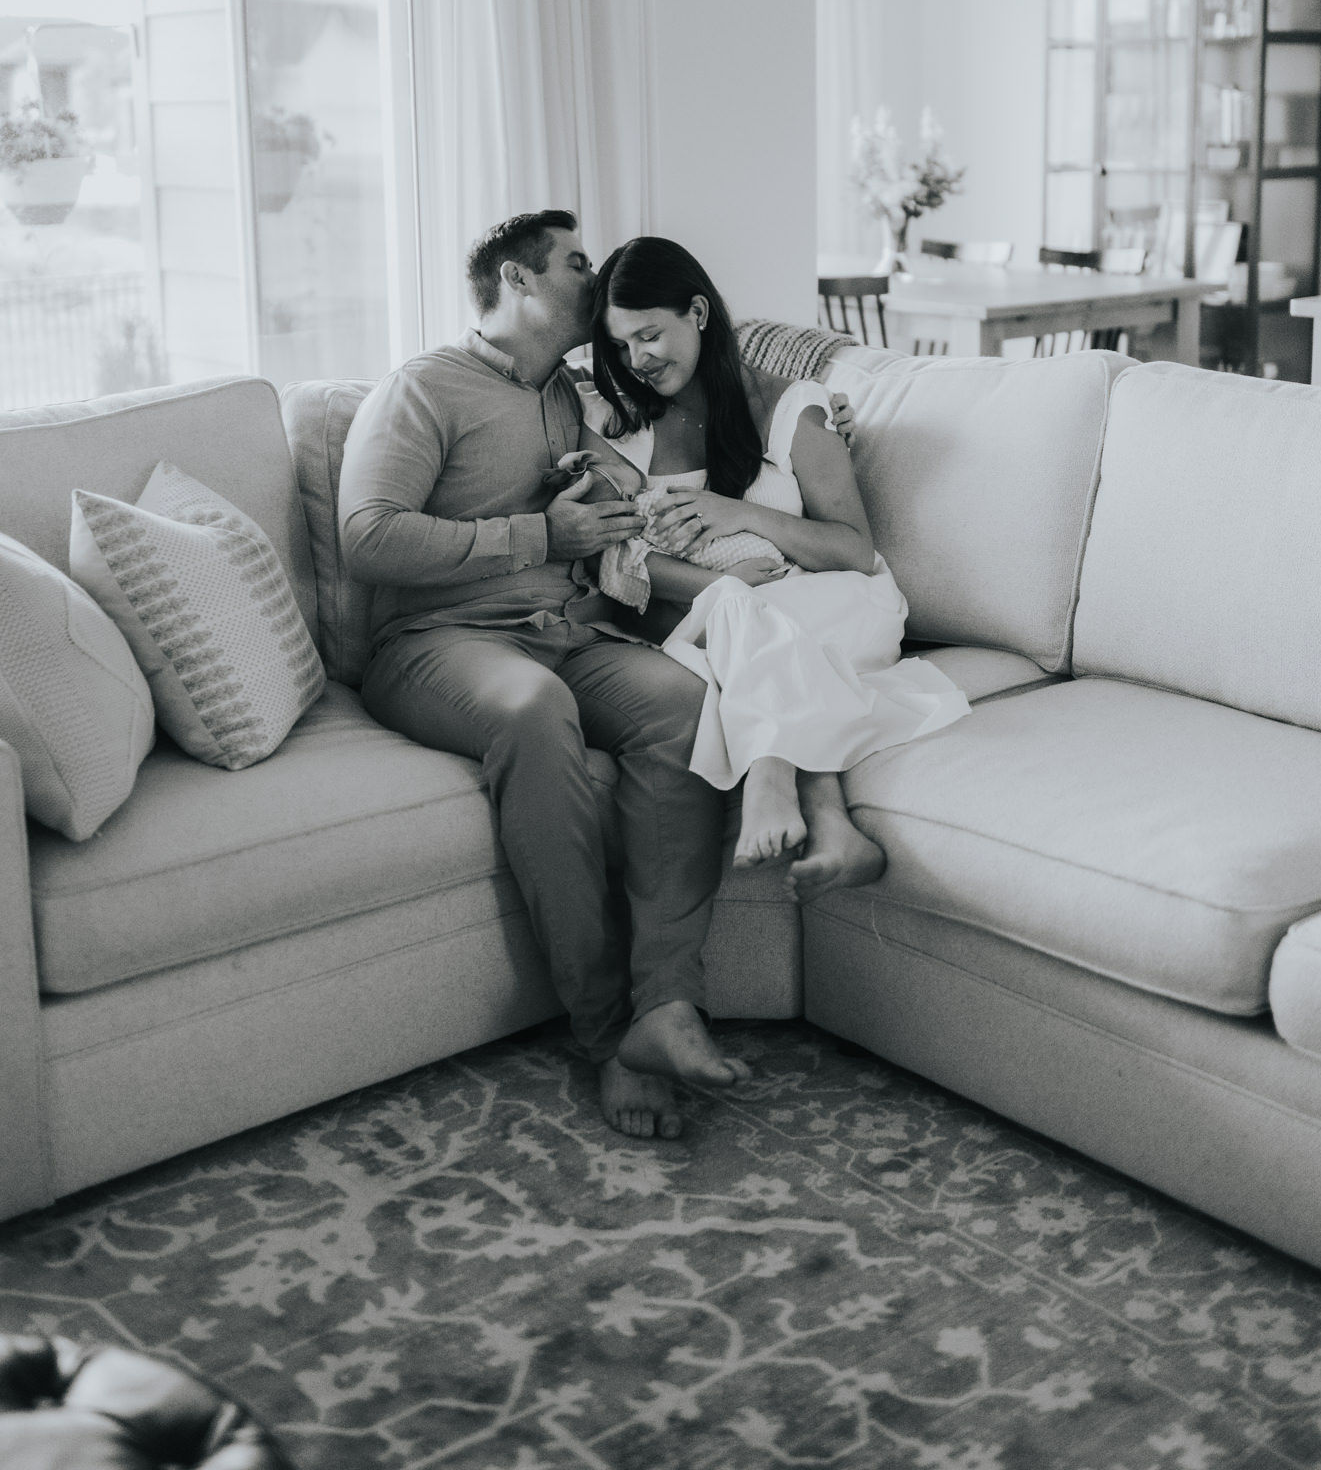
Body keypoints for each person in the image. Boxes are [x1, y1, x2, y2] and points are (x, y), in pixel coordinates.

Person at [337, 211, 752, 1144]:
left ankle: (665, 1006)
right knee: (534, 708)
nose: (595, 276)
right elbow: (367, 537)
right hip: (438, 641)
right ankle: (607, 1035)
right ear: (518, 281)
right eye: (575, 263)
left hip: (567, 630)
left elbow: (706, 357)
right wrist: (538, 534)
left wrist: (816, 405)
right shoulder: (422, 387)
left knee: (686, 704)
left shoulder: (576, 394)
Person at [582, 236, 970, 897]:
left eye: (649, 335)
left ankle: (769, 773)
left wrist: (739, 514)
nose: (637, 360)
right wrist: (721, 584)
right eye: (620, 346)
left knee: (761, 623)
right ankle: (833, 825)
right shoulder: (613, 421)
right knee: (748, 616)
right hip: (732, 616)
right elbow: (615, 560)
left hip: (839, 602)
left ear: (697, 313)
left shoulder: (793, 408)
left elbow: (853, 550)